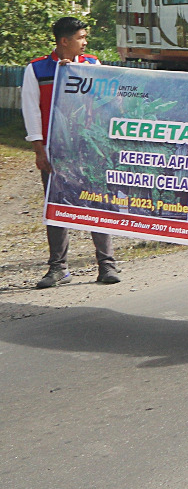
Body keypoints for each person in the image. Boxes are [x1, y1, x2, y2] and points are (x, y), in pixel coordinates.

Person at [24, 16, 118, 287]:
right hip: (55, 150)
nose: (85, 42)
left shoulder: (91, 64)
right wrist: (39, 150)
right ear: (64, 41)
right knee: (56, 207)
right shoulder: (38, 69)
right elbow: (31, 111)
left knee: (98, 202)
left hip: (88, 148)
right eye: (80, 37)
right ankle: (58, 268)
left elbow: (103, 101)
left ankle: (106, 265)